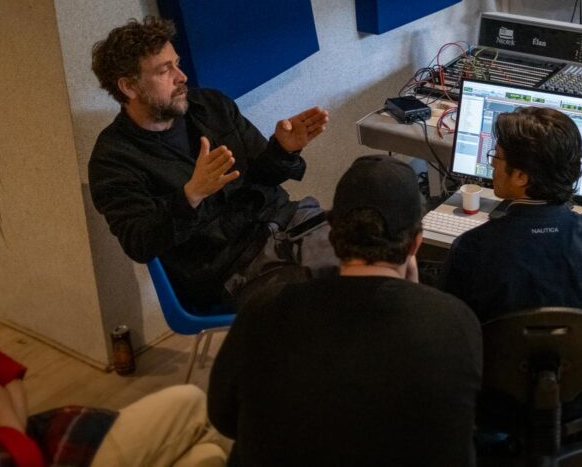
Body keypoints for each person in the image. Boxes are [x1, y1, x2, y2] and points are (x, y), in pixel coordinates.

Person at [207, 155, 482, 467]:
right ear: (415, 244)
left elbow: (224, 417)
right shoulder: (453, 322)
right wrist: (417, 295)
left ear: (332, 233)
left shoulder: (264, 310)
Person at [88, 17, 336, 311]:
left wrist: (283, 149)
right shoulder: (114, 159)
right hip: (231, 269)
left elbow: (263, 175)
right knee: (330, 299)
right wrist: (191, 195)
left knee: (374, 251)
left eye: (177, 64)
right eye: (165, 71)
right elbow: (139, 242)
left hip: (287, 222)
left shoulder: (211, 106)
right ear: (129, 86)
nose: (182, 77)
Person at [442, 107, 582, 421]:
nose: (492, 163)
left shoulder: (471, 249)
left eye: (496, 156)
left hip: (498, 401)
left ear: (521, 177)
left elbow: (455, 334)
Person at [0, 348, 227, 467]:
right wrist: (14, 432)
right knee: (192, 401)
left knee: (208, 456)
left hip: (59, 436)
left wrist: (14, 432)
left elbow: (8, 374)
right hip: (60, 453)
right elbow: (26, 459)